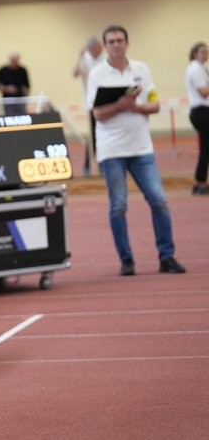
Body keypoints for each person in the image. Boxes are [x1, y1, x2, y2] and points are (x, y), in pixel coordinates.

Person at [86, 25, 186, 277]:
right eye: (111, 41)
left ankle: (167, 257)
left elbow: (154, 105)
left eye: (120, 40)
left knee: (159, 201)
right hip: (112, 150)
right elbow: (98, 114)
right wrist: (120, 105)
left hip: (142, 148)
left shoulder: (141, 69)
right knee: (118, 206)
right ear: (105, 46)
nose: (116, 45)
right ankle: (126, 260)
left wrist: (136, 107)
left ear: (127, 43)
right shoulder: (97, 74)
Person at [73, 36, 105, 177]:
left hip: (107, 101)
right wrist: (80, 56)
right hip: (92, 103)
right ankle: (87, 166)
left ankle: (103, 165)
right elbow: (75, 73)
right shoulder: (85, 59)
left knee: (104, 134)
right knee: (93, 135)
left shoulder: (106, 58)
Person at [185, 41, 209, 195]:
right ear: (195, 53)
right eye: (203, 52)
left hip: (201, 111)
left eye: (207, 52)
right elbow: (203, 92)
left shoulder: (200, 68)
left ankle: (200, 181)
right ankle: (200, 182)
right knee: (205, 149)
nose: (206, 54)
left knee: (206, 148)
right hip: (202, 111)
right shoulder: (196, 68)